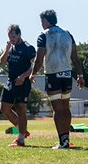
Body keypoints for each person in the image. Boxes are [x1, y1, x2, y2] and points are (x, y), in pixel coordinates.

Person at [34, 10, 84, 150]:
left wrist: (33, 73)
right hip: (67, 73)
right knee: (65, 107)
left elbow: (39, 58)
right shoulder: (68, 34)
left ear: (46, 21)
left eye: (42, 21)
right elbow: (75, 56)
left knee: (57, 108)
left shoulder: (43, 36)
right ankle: (66, 139)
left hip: (52, 74)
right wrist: (80, 75)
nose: (41, 24)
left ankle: (62, 142)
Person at [0, 25, 36, 147]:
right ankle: (23, 130)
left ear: (19, 35)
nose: (12, 39)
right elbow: (2, 63)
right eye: (10, 37)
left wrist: (24, 77)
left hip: (23, 82)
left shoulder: (28, 48)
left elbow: (34, 67)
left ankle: (20, 139)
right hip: (10, 81)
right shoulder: (10, 48)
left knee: (20, 109)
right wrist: (6, 49)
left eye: (13, 36)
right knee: (4, 108)